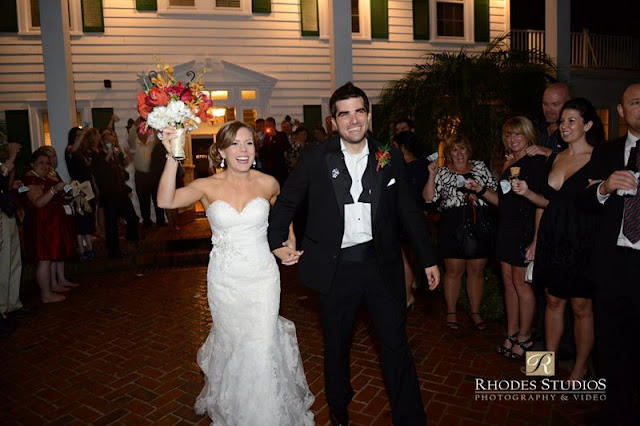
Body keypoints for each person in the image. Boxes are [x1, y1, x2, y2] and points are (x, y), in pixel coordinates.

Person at [269, 82, 440, 426]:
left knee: (396, 346)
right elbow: (287, 202)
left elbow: (409, 210)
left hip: (381, 267)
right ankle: (339, 410)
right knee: (337, 346)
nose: (353, 120)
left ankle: (410, 418)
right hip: (336, 270)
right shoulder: (316, 158)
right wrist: (276, 241)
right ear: (333, 121)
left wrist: (428, 259)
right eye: (344, 114)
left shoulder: (389, 156)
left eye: (359, 111)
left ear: (368, 114)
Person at [157, 121, 314, 425]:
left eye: (249, 143)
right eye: (235, 144)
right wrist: (172, 155)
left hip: (262, 277)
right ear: (221, 151)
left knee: (262, 344)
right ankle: (237, 409)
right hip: (225, 280)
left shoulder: (268, 183)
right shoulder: (207, 186)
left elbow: (283, 214)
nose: (243, 150)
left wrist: (289, 240)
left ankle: (266, 415)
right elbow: (166, 200)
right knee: (234, 344)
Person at [512, 98, 602, 379]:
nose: (564, 126)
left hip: (583, 240)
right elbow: (547, 202)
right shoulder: (555, 157)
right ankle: (544, 366)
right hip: (552, 238)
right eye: (562, 121)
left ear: (588, 125)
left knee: (581, 306)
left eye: (571, 121)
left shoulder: (600, 159)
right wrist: (528, 194)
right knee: (552, 301)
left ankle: (579, 367)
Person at [579, 82, 640, 424]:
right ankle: (617, 411)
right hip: (613, 265)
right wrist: (604, 187)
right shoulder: (606, 152)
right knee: (612, 345)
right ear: (621, 111)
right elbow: (584, 199)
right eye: (635, 103)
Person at [468, 117, 546, 358]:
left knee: (522, 285)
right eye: (509, 135)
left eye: (518, 134)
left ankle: (525, 337)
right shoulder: (510, 162)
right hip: (506, 229)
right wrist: (480, 189)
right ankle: (511, 332)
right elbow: (504, 202)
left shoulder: (536, 162)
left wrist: (535, 239)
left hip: (525, 229)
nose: (513, 139)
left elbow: (542, 204)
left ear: (528, 136)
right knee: (509, 284)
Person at [424, 134, 496, 331]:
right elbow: (429, 199)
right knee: (454, 271)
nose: (459, 153)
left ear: (468, 150)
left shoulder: (480, 167)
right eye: (454, 150)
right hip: (452, 223)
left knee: (476, 270)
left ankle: (475, 312)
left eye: (462, 148)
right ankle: (451, 312)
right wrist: (431, 176)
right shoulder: (442, 171)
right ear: (449, 153)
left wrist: (480, 194)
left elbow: (495, 193)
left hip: (478, 221)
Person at [21, 150, 77, 303]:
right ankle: (45, 294)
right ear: (32, 164)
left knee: (49, 258)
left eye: (47, 163)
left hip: (49, 224)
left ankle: (51, 287)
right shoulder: (31, 178)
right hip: (41, 225)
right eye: (41, 162)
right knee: (44, 259)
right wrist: (54, 189)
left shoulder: (43, 178)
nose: (45, 165)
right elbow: (38, 202)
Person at [392, 131, 429, 308]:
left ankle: (407, 296)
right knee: (407, 258)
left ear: (402, 148)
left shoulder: (411, 168)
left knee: (403, 259)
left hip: (407, 219)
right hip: (411, 218)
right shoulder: (419, 166)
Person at [39, 146, 80, 290]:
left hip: (61, 212)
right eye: (49, 156)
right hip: (51, 215)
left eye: (54, 156)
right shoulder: (42, 174)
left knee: (61, 247)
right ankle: (53, 283)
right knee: (53, 249)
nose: (52, 159)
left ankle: (61, 278)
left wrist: (69, 192)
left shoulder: (54, 173)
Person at [1, 142, 32, 319]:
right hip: (1, 215)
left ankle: (13, 303)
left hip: (8, 211)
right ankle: (2, 308)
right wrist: (11, 158)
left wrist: (12, 186)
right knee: (4, 260)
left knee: (14, 259)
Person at [65, 127, 96, 261]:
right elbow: (73, 149)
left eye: (81, 135)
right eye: (77, 135)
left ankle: (89, 247)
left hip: (87, 187)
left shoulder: (82, 152)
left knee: (88, 218)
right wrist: (83, 133)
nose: (80, 137)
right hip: (78, 187)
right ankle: (82, 250)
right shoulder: (69, 149)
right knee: (81, 218)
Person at [528, 82, 571, 157]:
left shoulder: (574, 133)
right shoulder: (536, 131)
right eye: (545, 104)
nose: (548, 109)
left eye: (555, 104)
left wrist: (550, 153)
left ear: (568, 104)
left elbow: (578, 160)